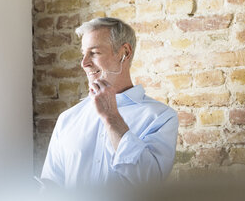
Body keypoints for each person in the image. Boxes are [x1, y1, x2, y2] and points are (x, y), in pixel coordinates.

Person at [41, 17, 179, 188]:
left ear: (124, 53)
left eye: (95, 52)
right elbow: (51, 187)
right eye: (83, 54)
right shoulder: (67, 119)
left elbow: (149, 182)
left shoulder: (161, 117)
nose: (84, 63)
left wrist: (111, 117)